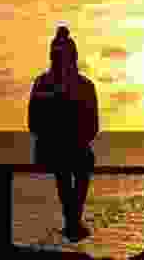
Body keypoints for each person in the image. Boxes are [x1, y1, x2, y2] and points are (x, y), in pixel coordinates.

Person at [28, 25, 99, 242]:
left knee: (76, 161)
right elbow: (33, 123)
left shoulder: (84, 86)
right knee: (69, 162)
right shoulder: (44, 83)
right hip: (53, 150)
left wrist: (73, 138)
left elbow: (92, 127)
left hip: (71, 150)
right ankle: (73, 221)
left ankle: (72, 221)